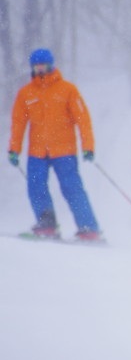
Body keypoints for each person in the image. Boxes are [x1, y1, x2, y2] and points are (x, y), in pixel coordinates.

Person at [8, 48, 101, 241]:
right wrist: (14, 149)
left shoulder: (67, 90)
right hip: (37, 152)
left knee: (72, 188)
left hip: (64, 151)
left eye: (44, 66)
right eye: (37, 67)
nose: (40, 70)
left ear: (52, 66)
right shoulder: (26, 93)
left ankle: (88, 228)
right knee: (36, 187)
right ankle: (47, 224)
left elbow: (83, 119)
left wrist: (88, 146)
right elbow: (18, 124)